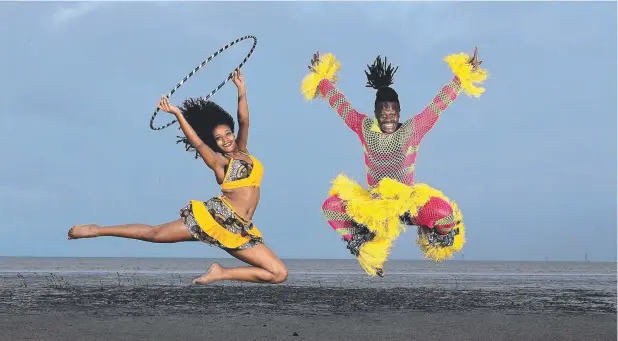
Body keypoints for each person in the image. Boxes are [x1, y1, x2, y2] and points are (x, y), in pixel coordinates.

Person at [68, 69, 288, 285]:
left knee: (279, 274)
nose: (226, 140)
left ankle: (220, 273)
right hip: (215, 218)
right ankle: (96, 230)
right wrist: (177, 114)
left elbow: (244, 121)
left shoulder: (243, 151)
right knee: (155, 234)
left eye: (227, 134)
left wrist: (241, 89)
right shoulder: (220, 163)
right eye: (219, 138)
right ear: (215, 143)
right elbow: (198, 142)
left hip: (241, 229)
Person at [301, 48, 488, 277]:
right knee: (330, 207)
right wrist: (321, 79)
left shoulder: (413, 129)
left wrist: (463, 74)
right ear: (376, 113)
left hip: (407, 204)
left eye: (392, 114)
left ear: (399, 112)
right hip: (375, 206)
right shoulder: (365, 128)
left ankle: (429, 234)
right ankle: (367, 246)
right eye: (383, 114)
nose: (388, 119)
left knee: (445, 214)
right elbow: (341, 105)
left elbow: (439, 103)